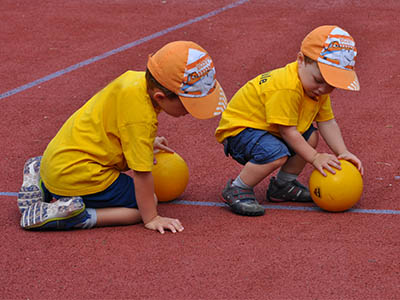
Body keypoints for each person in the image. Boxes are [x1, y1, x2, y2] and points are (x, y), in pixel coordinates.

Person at [17, 41, 227, 233]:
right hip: (79, 173)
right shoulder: (142, 119)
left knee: (67, 175)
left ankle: (42, 180)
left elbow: (117, 123)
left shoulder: (134, 81)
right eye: (188, 105)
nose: (189, 112)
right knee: (144, 204)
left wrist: (146, 142)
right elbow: (142, 174)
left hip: (59, 158)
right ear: (160, 97)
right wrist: (151, 217)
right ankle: (75, 216)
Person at [215, 25, 364, 216]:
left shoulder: (318, 91)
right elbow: (287, 132)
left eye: (332, 86)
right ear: (300, 60)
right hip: (239, 131)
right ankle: (238, 188)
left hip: (267, 129)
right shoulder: (287, 87)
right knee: (277, 153)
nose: (324, 89)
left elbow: (328, 122)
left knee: (310, 136)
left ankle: (282, 185)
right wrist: (315, 157)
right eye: (319, 80)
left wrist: (342, 152)